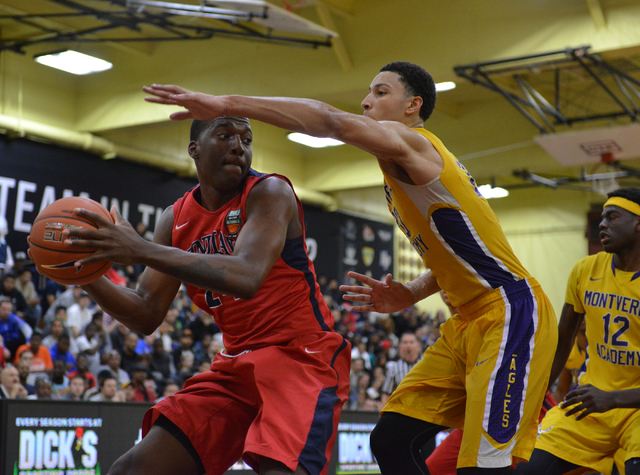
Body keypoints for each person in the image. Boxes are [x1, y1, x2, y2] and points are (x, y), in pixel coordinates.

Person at [142, 62, 557, 474]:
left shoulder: (414, 143)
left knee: (485, 466)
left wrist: (222, 103)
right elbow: (469, 255)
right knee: (390, 439)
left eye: (380, 92)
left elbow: (328, 120)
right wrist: (412, 292)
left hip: (509, 311)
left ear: (412, 106)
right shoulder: (405, 169)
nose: (365, 101)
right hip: (467, 319)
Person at [55, 114, 351, 475]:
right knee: (133, 468)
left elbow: (247, 275)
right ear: (194, 149)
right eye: (224, 135)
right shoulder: (175, 218)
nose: (238, 145)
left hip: (301, 358)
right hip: (235, 367)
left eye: (246, 138)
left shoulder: (270, 193)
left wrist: (141, 249)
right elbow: (147, 313)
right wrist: (81, 272)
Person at [517, 188, 640, 475]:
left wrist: (614, 399)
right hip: (590, 403)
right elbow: (563, 340)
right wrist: (537, 392)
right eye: (601, 218)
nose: (602, 224)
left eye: (612, 217)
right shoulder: (585, 269)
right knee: (527, 470)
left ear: (638, 225)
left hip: (635, 409)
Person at [380, 331, 423, 405]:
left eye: (411, 342)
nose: (408, 346)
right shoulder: (394, 368)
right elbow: (386, 394)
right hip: (402, 411)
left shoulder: (427, 365)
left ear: (418, 346)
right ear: (400, 346)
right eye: (405, 342)